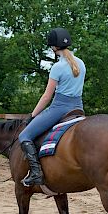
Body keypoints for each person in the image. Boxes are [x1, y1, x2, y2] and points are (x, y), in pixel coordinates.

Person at [18, 27, 86, 186]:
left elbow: (47, 96)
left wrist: (33, 115)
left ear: (53, 47)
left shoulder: (57, 67)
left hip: (60, 108)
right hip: (78, 108)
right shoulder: (81, 63)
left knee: (24, 136)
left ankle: (36, 173)